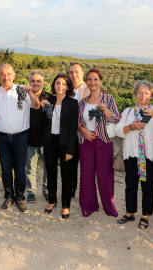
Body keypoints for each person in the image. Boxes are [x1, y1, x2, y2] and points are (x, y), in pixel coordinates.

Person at [114, 81, 153, 229]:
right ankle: (129, 212)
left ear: (151, 95)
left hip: (150, 155)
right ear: (135, 93)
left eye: (146, 93)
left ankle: (145, 215)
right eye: (140, 92)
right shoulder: (128, 111)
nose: (143, 95)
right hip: (132, 154)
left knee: (148, 187)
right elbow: (118, 130)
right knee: (130, 185)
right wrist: (131, 127)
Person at [0, 64, 40, 213]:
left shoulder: (23, 90)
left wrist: (31, 93)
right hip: (2, 138)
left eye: (8, 74)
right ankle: (8, 196)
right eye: (2, 74)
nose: (5, 77)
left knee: (19, 170)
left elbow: (36, 106)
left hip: (20, 137)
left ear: (13, 75)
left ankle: (19, 197)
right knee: (5, 170)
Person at [78, 68, 120, 217]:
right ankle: (89, 206)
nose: (92, 82)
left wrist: (106, 111)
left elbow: (117, 119)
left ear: (101, 81)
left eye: (95, 79)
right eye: (89, 79)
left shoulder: (108, 99)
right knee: (86, 175)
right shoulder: (82, 102)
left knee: (105, 176)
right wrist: (83, 131)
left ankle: (109, 206)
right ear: (87, 82)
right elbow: (78, 122)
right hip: (86, 143)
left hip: (104, 142)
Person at [40, 74, 78, 219]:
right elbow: (43, 125)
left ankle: (65, 205)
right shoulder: (48, 101)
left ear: (67, 86)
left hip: (65, 144)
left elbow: (73, 127)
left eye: (63, 83)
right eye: (57, 83)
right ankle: (52, 201)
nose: (60, 86)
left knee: (66, 177)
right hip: (50, 143)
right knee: (50, 173)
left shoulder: (72, 103)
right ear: (54, 85)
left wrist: (70, 150)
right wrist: (42, 110)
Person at [25, 71, 53, 203]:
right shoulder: (23, 97)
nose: (35, 83)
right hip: (30, 139)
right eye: (33, 81)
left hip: (47, 140)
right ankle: (31, 192)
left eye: (38, 81)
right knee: (30, 168)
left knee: (48, 167)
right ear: (29, 82)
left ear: (43, 82)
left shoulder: (50, 98)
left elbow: (52, 118)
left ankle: (46, 190)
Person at [69, 63, 90, 198]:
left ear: (82, 73)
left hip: (85, 133)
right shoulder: (65, 89)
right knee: (70, 165)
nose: (74, 75)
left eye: (77, 72)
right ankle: (71, 192)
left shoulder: (90, 89)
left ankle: (86, 193)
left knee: (86, 166)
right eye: (71, 72)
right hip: (69, 134)